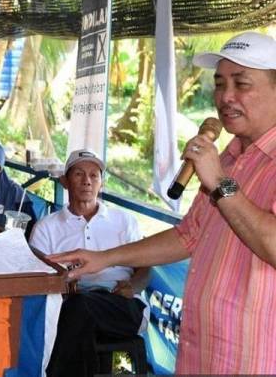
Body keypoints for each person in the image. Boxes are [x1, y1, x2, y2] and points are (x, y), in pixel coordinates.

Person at [53, 32, 276, 373]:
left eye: (242, 84)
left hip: (253, 357)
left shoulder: (222, 171)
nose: (225, 97)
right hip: (201, 349)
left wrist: (218, 182)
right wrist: (103, 259)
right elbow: (188, 235)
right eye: (219, 84)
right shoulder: (229, 158)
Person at [29, 149, 148, 377]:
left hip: (120, 303)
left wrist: (134, 286)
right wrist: (62, 287)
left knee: (76, 313)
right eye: (79, 174)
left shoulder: (123, 220)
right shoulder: (47, 227)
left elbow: (145, 265)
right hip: (69, 303)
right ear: (64, 181)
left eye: (94, 176)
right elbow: (39, 277)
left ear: (101, 183)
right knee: (76, 311)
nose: (87, 181)